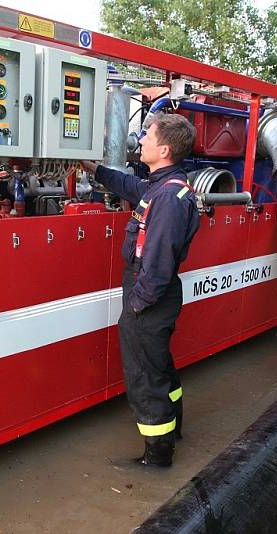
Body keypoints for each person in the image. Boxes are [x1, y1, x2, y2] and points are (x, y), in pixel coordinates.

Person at [82, 113, 199, 467]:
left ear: (163, 149)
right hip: (155, 295)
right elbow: (130, 187)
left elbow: (159, 264)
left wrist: (136, 306)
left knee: (144, 376)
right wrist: (94, 169)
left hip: (149, 296)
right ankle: (174, 427)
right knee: (159, 365)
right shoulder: (163, 185)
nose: (142, 139)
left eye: (147, 135)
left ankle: (158, 456)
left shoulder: (167, 199)